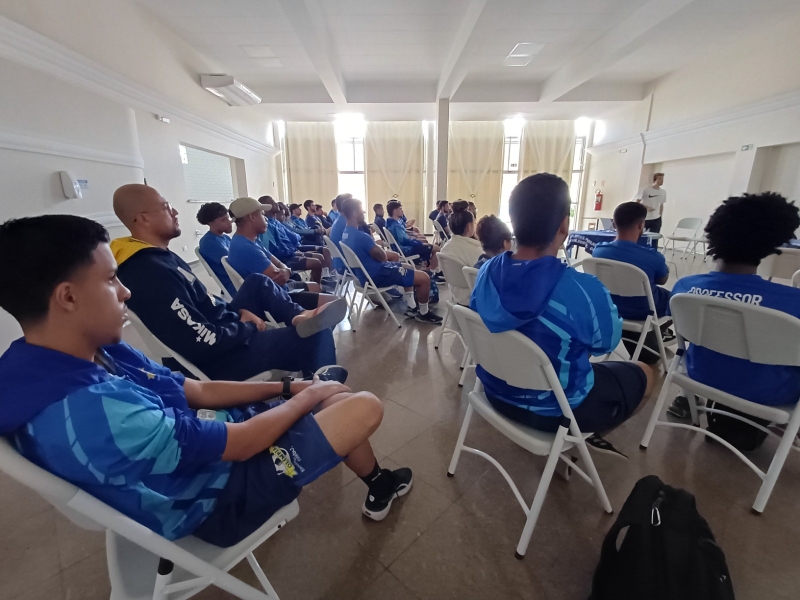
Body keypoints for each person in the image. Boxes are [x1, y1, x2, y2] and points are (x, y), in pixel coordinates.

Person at [0, 215, 414, 544]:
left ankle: (379, 482)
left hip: (209, 450)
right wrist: (309, 394)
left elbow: (194, 390)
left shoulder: (84, 353)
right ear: (68, 297)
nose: (125, 292)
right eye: (111, 279)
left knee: (333, 397)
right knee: (361, 405)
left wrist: (290, 387)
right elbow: (241, 444)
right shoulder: (93, 411)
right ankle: (373, 472)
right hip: (213, 500)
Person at [471, 173, 654, 457]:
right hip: (558, 411)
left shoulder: (486, 272)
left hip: (495, 391)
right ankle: (581, 442)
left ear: (513, 222)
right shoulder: (583, 290)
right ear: (564, 226)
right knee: (647, 372)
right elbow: (605, 344)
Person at [109, 184, 345, 380]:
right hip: (221, 357)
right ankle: (326, 402)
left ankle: (298, 316)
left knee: (257, 282)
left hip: (223, 328)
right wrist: (247, 325)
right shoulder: (149, 271)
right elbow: (203, 341)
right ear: (143, 219)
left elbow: (202, 303)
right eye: (166, 207)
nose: (175, 212)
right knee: (318, 335)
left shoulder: (157, 256)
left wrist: (238, 312)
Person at [666, 192, 800, 419]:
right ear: (772, 243)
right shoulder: (792, 302)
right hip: (770, 392)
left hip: (699, 375)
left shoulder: (684, 288)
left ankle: (686, 398)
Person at [339, 198, 442, 324]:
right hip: (378, 275)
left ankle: (412, 307)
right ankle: (424, 313)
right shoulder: (361, 237)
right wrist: (376, 249)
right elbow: (382, 256)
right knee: (424, 278)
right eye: (361, 210)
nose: (364, 212)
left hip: (364, 277)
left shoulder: (345, 234)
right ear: (355, 213)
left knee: (407, 267)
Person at [227, 197, 330, 309]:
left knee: (316, 287)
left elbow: (279, 264)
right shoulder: (246, 248)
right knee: (335, 304)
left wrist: (286, 270)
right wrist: (285, 270)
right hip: (274, 299)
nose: (266, 219)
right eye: (262, 214)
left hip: (278, 289)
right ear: (252, 217)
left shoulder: (250, 240)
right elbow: (280, 279)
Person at [592, 202, 670, 321]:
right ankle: (662, 330)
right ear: (641, 225)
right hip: (644, 312)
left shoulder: (598, 251)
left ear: (614, 224)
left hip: (608, 306)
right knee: (675, 298)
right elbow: (662, 280)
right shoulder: (652, 257)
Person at [257, 197, 331, 286]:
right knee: (316, 262)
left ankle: (317, 284)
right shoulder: (268, 226)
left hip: (290, 252)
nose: (276, 204)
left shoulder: (276, 222)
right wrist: (293, 252)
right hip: (285, 257)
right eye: (273, 202)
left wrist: (294, 251)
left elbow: (290, 239)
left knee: (319, 257)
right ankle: (315, 286)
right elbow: (276, 248)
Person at [439, 201, 482, 306]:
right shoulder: (475, 250)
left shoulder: (446, 247)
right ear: (469, 227)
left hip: (456, 296)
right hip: (474, 298)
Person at [196, 202, 236, 298]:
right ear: (211, 223)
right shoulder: (209, 242)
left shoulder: (225, 238)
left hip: (240, 279)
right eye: (224, 220)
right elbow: (235, 263)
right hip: (234, 285)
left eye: (228, 218)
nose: (229, 222)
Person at [386, 200, 440, 270]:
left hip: (401, 248)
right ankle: (432, 270)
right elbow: (405, 241)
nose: (402, 211)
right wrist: (418, 242)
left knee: (428, 245)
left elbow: (403, 238)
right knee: (436, 248)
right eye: (400, 209)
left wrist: (416, 239)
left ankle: (427, 265)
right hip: (406, 250)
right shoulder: (395, 226)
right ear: (395, 211)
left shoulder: (390, 222)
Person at [634, 172, 666, 248]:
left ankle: (653, 251)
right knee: (639, 236)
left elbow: (661, 204)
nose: (661, 180)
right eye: (659, 178)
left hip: (656, 218)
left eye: (662, 179)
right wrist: (646, 207)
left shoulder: (663, 192)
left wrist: (660, 215)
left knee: (654, 239)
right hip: (645, 218)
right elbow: (637, 202)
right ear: (655, 179)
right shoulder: (645, 189)